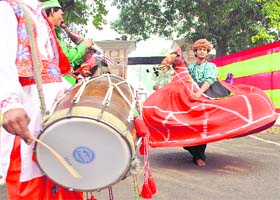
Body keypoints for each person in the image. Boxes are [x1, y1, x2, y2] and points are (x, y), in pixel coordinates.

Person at [0, 0, 83, 199]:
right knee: (30, 179)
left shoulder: (38, 13)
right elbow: (2, 58)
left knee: (63, 176)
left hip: (52, 110)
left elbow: (52, 68)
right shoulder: (7, 7)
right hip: (29, 108)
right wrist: (10, 102)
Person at [183, 39, 230, 166]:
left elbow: (209, 80)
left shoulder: (211, 66)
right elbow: (184, 80)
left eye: (204, 49)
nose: (202, 52)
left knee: (201, 124)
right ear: (196, 52)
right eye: (199, 49)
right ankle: (192, 150)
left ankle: (199, 157)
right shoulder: (191, 67)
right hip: (192, 95)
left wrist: (199, 94)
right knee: (188, 123)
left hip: (207, 94)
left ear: (207, 52)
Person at [42, 0, 93, 85]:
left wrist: (83, 56)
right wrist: (84, 45)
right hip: (54, 82)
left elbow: (66, 61)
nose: (62, 18)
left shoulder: (51, 31)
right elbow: (66, 56)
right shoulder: (46, 32)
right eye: (61, 14)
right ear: (52, 12)